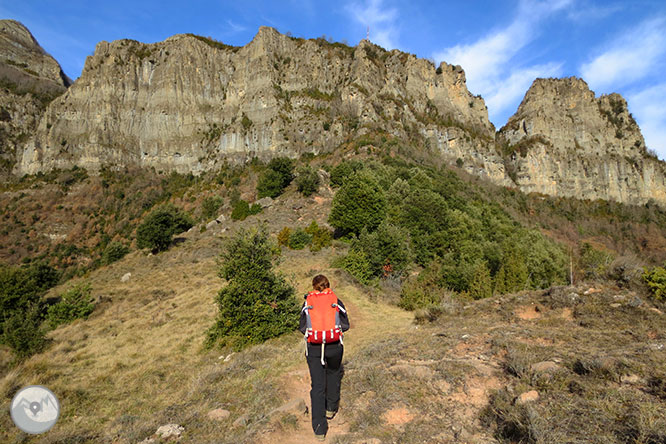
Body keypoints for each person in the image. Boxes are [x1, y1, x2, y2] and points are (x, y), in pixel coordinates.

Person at [299, 274, 350, 441]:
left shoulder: (308, 302)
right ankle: (331, 408)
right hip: (334, 346)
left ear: (314, 287)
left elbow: (302, 327)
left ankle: (319, 429)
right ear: (328, 285)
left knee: (318, 386)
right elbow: (346, 325)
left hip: (314, 349)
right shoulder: (336, 300)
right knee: (334, 372)